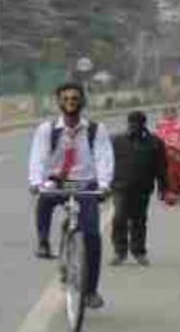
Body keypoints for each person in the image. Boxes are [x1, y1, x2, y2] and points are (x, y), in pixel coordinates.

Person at [27, 82, 114, 309]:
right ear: (59, 102)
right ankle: (44, 241)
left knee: (93, 236)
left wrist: (104, 185)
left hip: (85, 183)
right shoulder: (47, 130)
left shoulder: (96, 130)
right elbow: (38, 157)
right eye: (65, 99)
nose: (70, 104)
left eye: (75, 99)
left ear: (82, 102)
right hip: (58, 181)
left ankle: (91, 291)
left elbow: (104, 158)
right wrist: (36, 182)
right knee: (44, 200)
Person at [109, 110, 168, 265]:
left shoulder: (155, 143)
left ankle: (138, 251)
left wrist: (163, 187)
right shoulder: (117, 141)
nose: (134, 126)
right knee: (119, 217)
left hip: (143, 188)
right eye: (132, 123)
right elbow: (106, 163)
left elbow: (161, 167)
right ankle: (120, 251)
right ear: (128, 123)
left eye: (138, 123)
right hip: (120, 187)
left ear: (144, 124)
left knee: (139, 220)